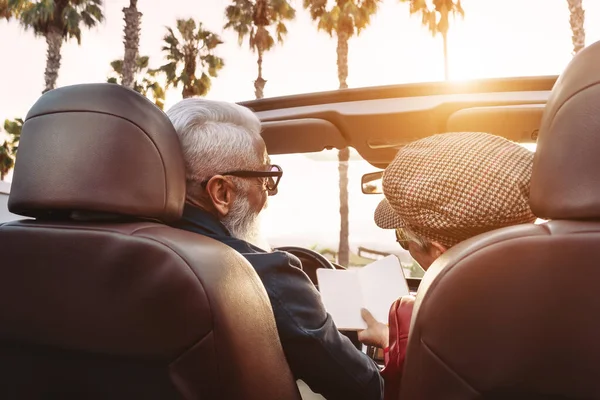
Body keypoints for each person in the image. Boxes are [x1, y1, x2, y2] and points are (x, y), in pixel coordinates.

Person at [166, 98, 383, 400]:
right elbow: (363, 388)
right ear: (221, 192)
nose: (268, 196)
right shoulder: (265, 275)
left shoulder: (93, 257)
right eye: (266, 180)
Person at [357, 131, 537, 398]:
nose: (403, 246)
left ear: (441, 252)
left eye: (403, 238)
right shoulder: (575, 286)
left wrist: (392, 340)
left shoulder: (414, 323)